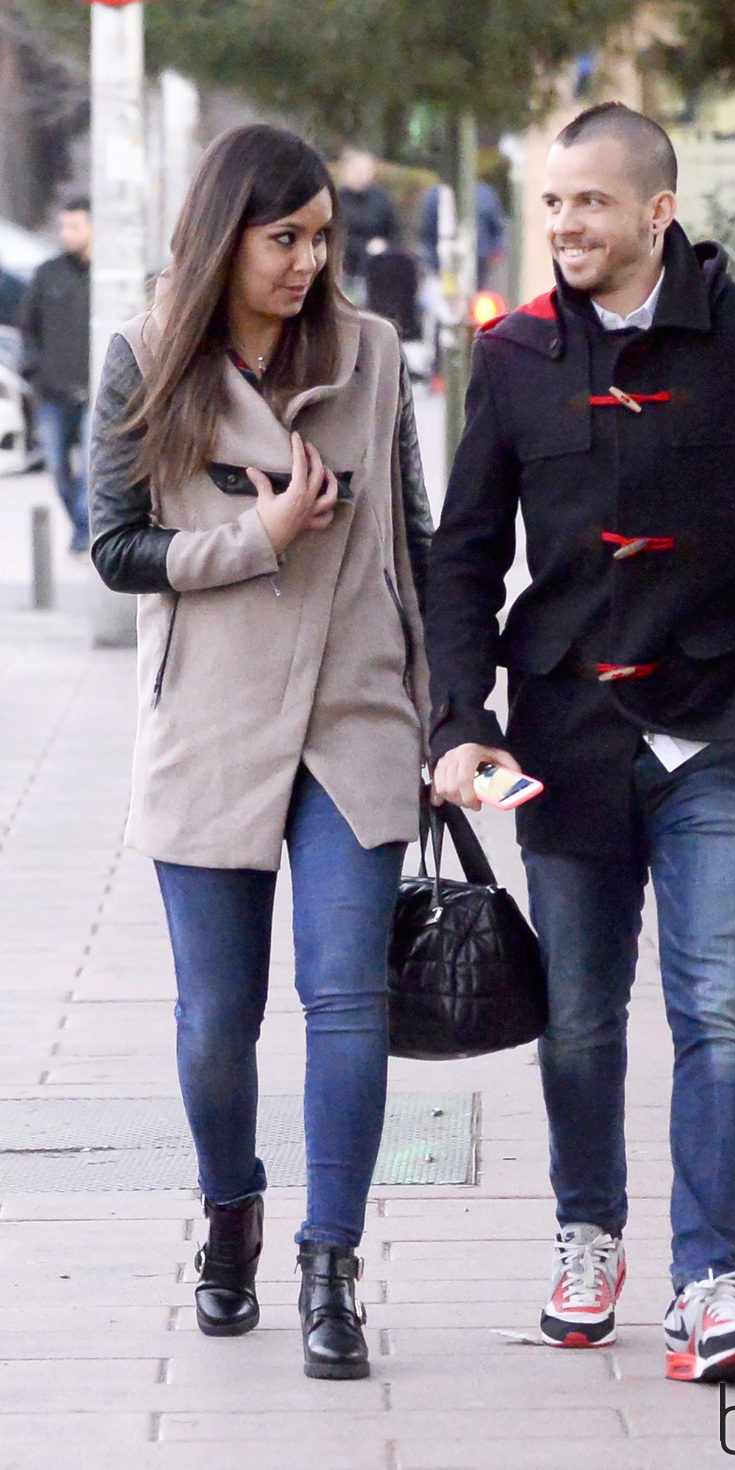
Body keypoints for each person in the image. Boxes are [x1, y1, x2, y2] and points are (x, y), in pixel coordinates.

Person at [424, 102, 735, 1383]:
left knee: (718, 1009)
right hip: (563, 737)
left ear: (656, 211)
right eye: (553, 202)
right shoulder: (513, 355)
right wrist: (459, 721)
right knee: (578, 1019)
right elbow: (461, 556)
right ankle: (586, 1238)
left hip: (716, 727)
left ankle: (706, 1285)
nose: (566, 224)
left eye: (589, 201)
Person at [89, 125, 431, 1381]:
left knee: (350, 1001)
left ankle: (329, 1261)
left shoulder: (375, 355)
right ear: (225, 233)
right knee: (213, 1022)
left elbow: (414, 539)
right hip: (212, 724)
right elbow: (115, 548)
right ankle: (229, 1212)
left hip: (353, 717)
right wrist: (262, 535)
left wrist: (446, 720)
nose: (307, 261)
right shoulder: (145, 356)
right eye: (283, 238)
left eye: (321, 238)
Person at [18, 196, 91, 552]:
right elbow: (27, 329)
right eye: (63, 226)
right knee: (57, 467)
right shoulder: (48, 274)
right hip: (54, 393)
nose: (67, 233)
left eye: (75, 226)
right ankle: (81, 525)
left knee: (96, 466)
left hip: (97, 392)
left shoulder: (111, 278)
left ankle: (88, 533)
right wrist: (34, 373)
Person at [336, 148, 401, 301]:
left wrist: (385, 246)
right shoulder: (337, 200)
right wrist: (364, 246)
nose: (361, 175)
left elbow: (395, 232)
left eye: (366, 170)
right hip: (347, 268)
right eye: (357, 170)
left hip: (379, 268)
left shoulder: (382, 199)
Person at [419, 179, 507, 289]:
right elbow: (426, 231)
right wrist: (432, 259)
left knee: (478, 298)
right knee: (449, 295)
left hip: (480, 261)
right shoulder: (435, 195)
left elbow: (497, 227)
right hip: (445, 263)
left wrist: (498, 249)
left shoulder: (486, 194)